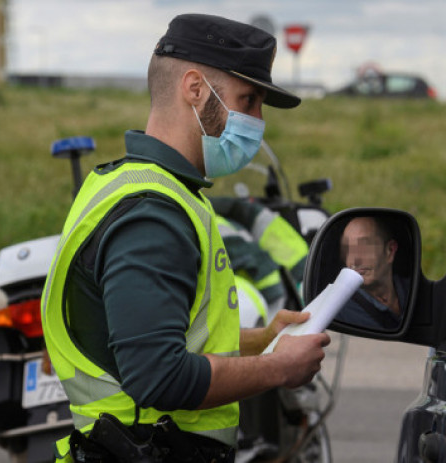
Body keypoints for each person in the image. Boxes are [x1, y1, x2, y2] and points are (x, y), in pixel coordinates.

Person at [40, 14, 330, 462]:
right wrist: (277, 367)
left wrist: (264, 339)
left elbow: (167, 336)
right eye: (248, 99)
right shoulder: (154, 213)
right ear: (194, 89)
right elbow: (159, 377)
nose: (257, 120)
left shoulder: (133, 184)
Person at [336, 216, 409, 330]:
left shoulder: (416, 290)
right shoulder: (340, 312)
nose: (355, 260)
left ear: (390, 250)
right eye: (348, 249)